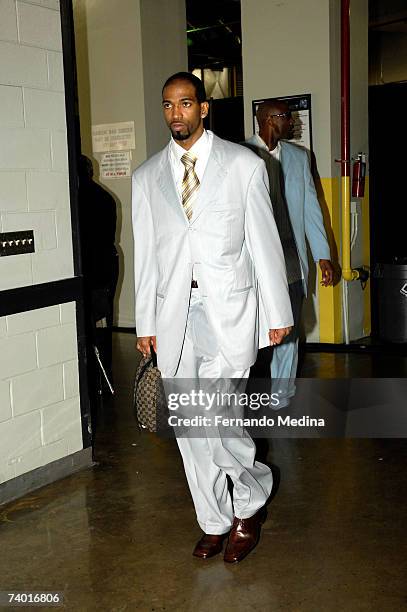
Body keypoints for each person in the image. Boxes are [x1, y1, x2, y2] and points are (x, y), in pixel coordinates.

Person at [132, 72, 293, 563]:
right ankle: (214, 520)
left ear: (204, 108)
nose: (176, 113)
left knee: (219, 422)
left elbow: (263, 243)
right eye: (167, 105)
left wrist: (278, 311)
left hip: (231, 310)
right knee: (190, 429)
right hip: (175, 315)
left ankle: (248, 502)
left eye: (185, 103)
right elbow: (147, 257)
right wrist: (146, 325)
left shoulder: (243, 166)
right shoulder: (146, 177)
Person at [245, 100, 334, 407]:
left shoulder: (299, 157)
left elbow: (311, 209)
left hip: (291, 260)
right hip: (252, 262)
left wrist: (323, 256)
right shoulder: (239, 154)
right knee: (252, 327)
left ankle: (281, 392)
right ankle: (248, 390)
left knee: (290, 327)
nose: (293, 123)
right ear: (268, 120)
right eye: (287, 117)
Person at [78, 155, 119, 393]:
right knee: (103, 322)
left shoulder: (74, 200)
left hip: (91, 271)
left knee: (89, 323)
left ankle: (91, 374)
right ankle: (105, 372)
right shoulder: (105, 197)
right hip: (105, 268)